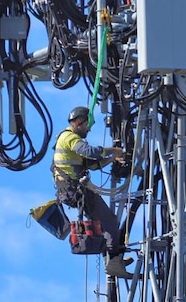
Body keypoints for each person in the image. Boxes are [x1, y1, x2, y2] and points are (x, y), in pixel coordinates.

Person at [53, 106, 133, 279]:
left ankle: (112, 256)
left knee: (104, 222)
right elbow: (91, 152)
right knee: (109, 220)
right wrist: (113, 150)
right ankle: (113, 260)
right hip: (76, 190)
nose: (88, 129)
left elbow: (92, 164)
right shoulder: (70, 137)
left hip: (73, 190)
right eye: (87, 125)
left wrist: (112, 158)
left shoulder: (69, 139)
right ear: (79, 122)